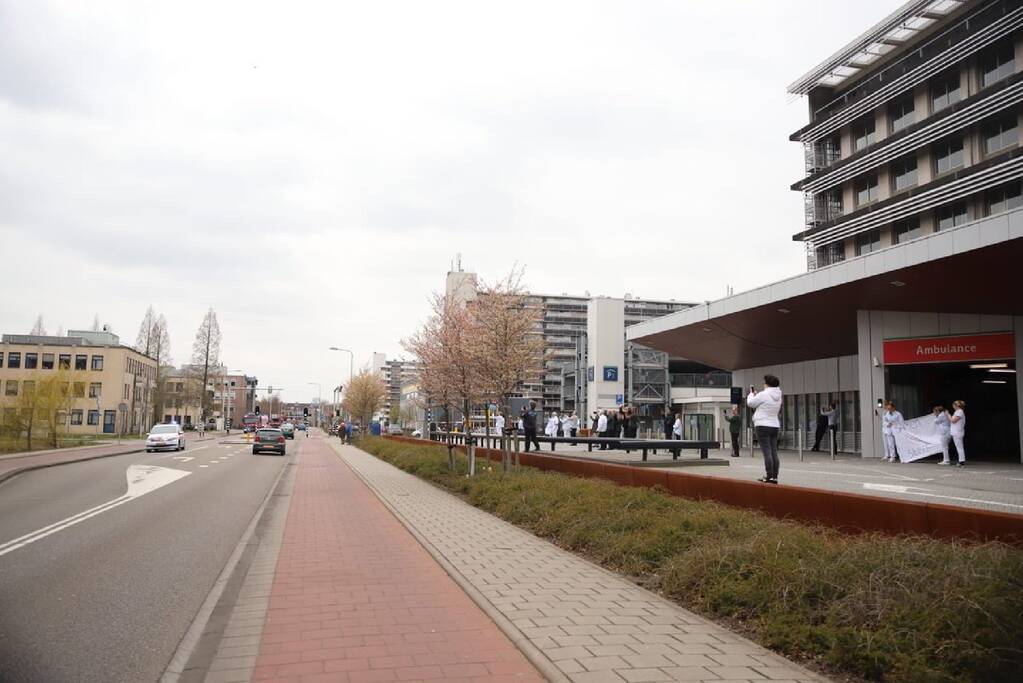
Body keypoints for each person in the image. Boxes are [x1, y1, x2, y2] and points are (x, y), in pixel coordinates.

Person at [747, 375, 782, 484]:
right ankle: (774, 477)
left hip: (762, 425)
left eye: (764, 382)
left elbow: (750, 403)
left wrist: (751, 394)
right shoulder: (779, 396)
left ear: (767, 384)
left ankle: (769, 476)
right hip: (774, 425)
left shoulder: (763, 394)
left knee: (767, 452)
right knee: (773, 452)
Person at [950, 400, 966, 466]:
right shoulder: (957, 412)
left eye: (953, 405)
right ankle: (961, 460)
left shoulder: (959, 412)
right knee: (959, 446)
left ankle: (961, 461)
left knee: (959, 446)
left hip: (957, 432)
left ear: (956, 405)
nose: (953, 406)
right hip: (956, 431)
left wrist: (948, 415)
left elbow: (953, 421)